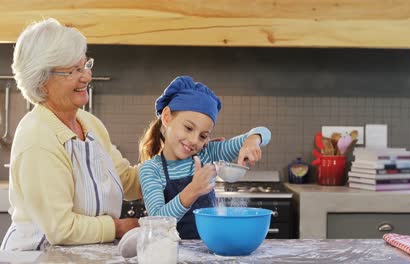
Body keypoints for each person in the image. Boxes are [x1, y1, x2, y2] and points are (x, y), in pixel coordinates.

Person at [1, 18, 141, 250]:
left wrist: (172, 159)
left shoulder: (89, 124)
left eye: (86, 65)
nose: (86, 76)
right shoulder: (37, 137)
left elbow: (126, 180)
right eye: (74, 70)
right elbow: (61, 229)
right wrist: (119, 227)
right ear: (42, 81)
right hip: (38, 255)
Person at [138, 76, 271, 239]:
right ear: (167, 117)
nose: (194, 140)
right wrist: (192, 190)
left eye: (203, 136)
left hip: (210, 248)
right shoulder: (151, 170)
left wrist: (252, 140)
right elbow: (157, 222)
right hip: (173, 252)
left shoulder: (208, 154)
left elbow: (264, 132)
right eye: (188, 128)